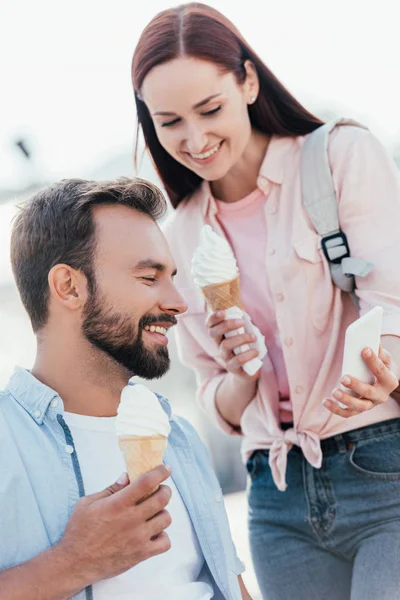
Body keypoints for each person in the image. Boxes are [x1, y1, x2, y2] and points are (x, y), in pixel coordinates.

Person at [131, 4, 400, 599]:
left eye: (209, 109)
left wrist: (382, 371)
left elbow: (395, 307)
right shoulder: (179, 236)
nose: (195, 139)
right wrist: (237, 372)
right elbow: (217, 403)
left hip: (381, 466)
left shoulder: (339, 157)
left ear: (248, 81)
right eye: (170, 121)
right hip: (275, 495)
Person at [0, 177, 252, 600]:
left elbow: (232, 585)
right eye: (149, 278)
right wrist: (74, 561)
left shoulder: (179, 436)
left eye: (172, 277)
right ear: (69, 287)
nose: (178, 302)